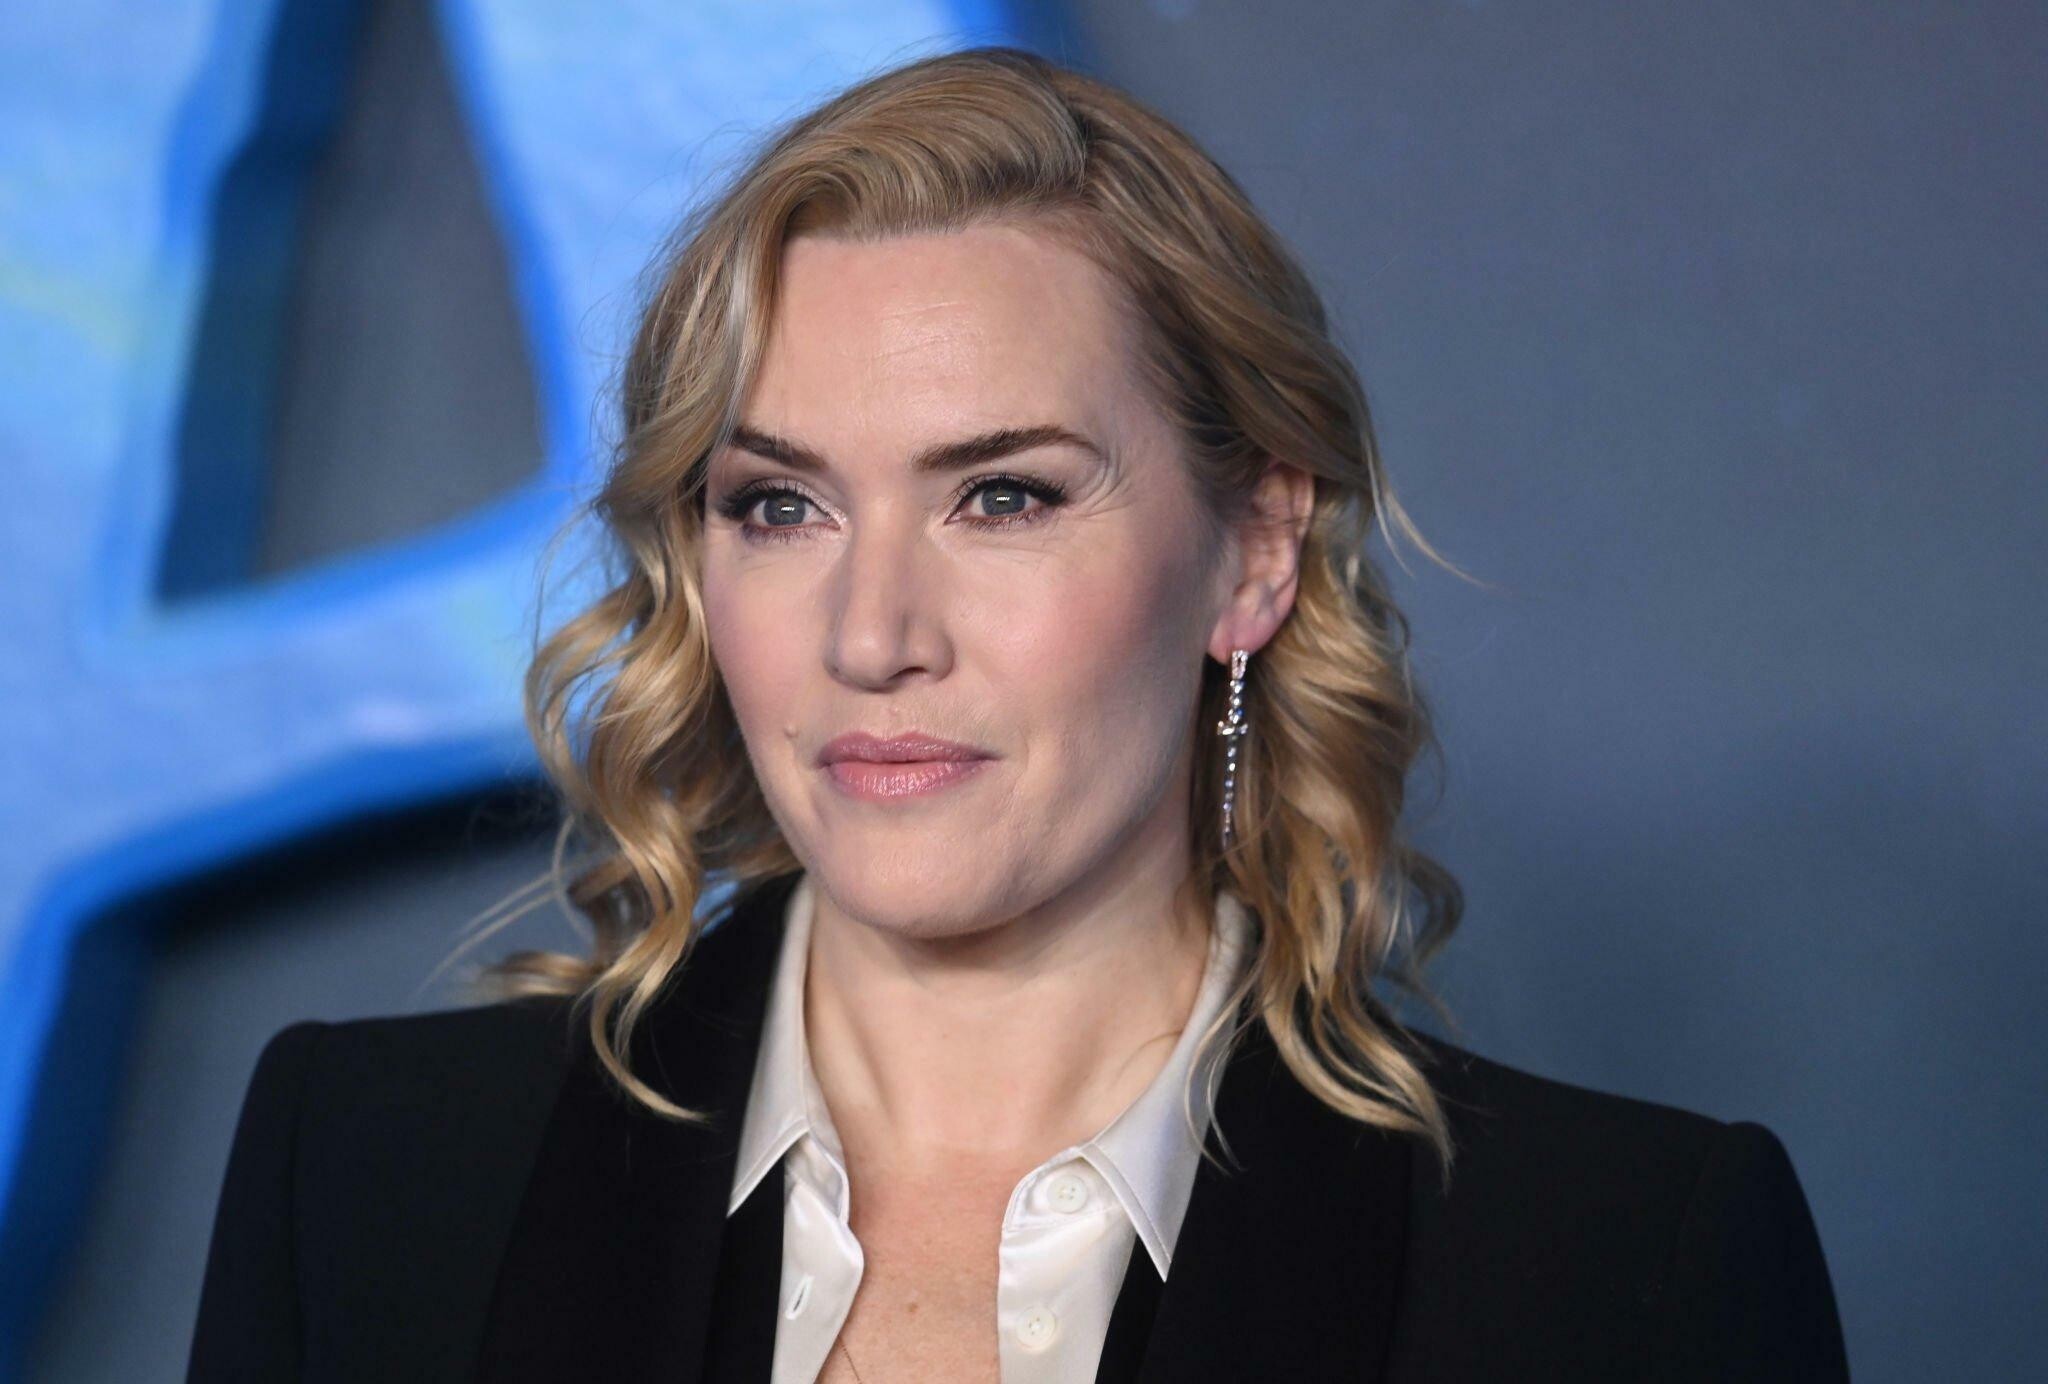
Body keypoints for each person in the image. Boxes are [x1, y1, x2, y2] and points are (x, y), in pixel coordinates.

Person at [186, 45, 1849, 1383]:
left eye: (1003, 497)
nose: (873, 635)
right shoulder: (374, 1175)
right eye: (780, 506)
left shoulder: (1624, 1271)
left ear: (1254, 552)